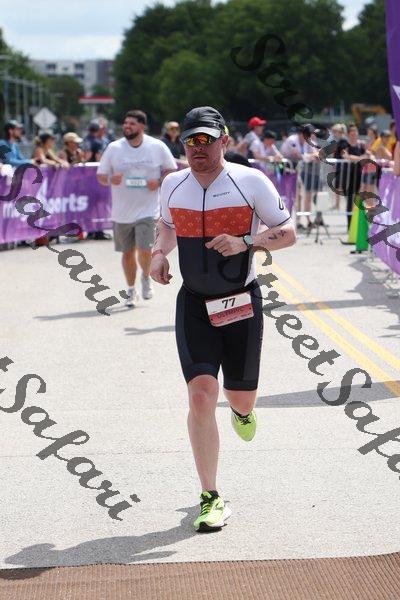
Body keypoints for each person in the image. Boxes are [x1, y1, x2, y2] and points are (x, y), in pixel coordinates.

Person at [150, 106, 296, 532]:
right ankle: (210, 495)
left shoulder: (250, 181)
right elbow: (166, 226)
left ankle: (243, 412)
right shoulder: (173, 184)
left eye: (206, 140)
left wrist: (246, 241)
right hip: (194, 303)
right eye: (190, 141)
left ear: (224, 142)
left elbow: (288, 232)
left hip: (240, 303)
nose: (197, 148)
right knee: (200, 395)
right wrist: (158, 253)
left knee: (240, 398)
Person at [97, 109, 177, 306]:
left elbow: (171, 170)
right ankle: (131, 290)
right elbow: (101, 176)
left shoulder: (156, 146)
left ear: (142, 126)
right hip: (122, 212)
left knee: (144, 248)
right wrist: (110, 179)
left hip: (148, 210)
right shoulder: (114, 148)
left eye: (132, 124)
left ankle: (146, 278)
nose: (127, 127)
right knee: (127, 253)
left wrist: (159, 181)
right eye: (125, 123)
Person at [335, 123, 369, 229]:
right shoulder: (344, 144)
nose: (354, 135)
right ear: (348, 134)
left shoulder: (360, 146)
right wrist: (359, 158)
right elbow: (345, 156)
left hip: (358, 175)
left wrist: (357, 158)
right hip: (347, 176)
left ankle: (356, 225)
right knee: (350, 200)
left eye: (355, 132)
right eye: (352, 133)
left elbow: (368, 155)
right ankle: (350, 226)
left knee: (357, 200)